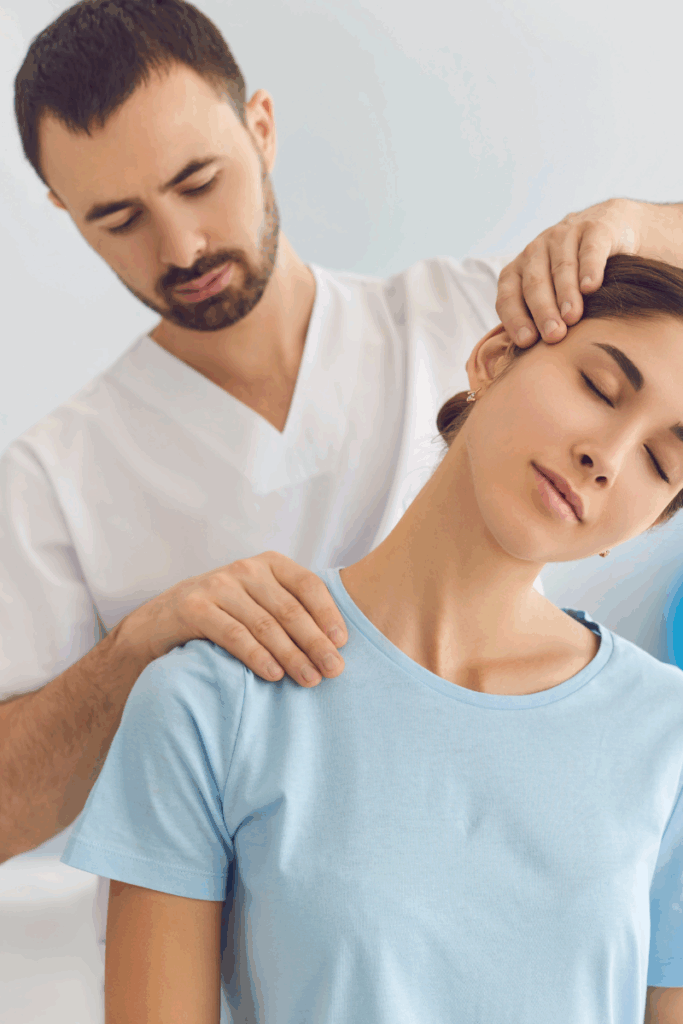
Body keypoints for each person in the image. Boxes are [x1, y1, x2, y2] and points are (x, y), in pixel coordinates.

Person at [3, 0, 683, 1000]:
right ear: (65, 212)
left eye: (200, 180)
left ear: (261, 128)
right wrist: (137, 653)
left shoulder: (467, 311)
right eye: (121, 216)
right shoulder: (57, 490)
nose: (184, 243)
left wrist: (629, 221)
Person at [59, 254, 683, 1024]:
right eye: (597, 387)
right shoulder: (215, 698)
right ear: (493, 359)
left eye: (659, 461)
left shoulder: (668, 737)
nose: (607, 458)